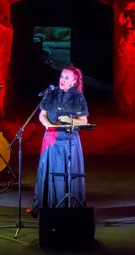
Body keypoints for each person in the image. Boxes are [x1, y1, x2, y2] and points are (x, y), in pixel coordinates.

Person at [30, 66, 89, 216]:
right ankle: (48, 205)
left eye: (67, 78)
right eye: (62, 76)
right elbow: (42, 114)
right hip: (51, 138)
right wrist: (48, 124)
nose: (62, 80)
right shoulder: (52, 93)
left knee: (66, 173)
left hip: (69, 140)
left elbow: (84, 120)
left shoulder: (78, 97)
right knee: (49, 171)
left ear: (74, 82)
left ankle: (68, 206)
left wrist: (69, 119)